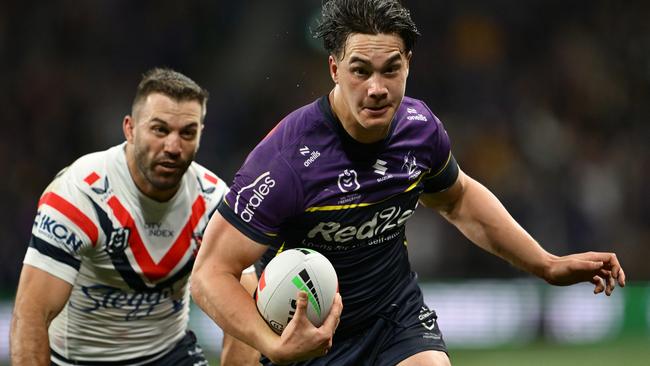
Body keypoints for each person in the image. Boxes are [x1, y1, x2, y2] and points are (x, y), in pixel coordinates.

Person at [190, 0, 626, 365]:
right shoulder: (285, 162)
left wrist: (545, 265)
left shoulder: (419, 129)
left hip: (391, 316)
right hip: (301, 325)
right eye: (360, 71)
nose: (377, 88)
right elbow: (209, 274)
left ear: (408, 65)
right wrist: (271, 345)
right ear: (334, 69)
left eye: (390, 70)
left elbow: (459, 201)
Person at [10, 68, 260, 366]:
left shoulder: (214, 202)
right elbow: (31, 314)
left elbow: (244, 310)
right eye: (160, 130)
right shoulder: (78, 195)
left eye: (187, 133)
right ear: (129, 129)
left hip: (169, 357)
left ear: (201, 135)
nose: (173, 147)